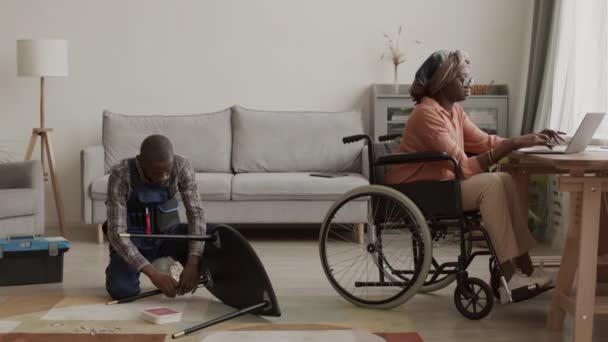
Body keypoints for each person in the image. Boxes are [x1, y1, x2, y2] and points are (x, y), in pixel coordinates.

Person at [384, 50, 563, 300]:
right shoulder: (426, 114)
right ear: (443, 82)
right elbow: (465, 168)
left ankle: (526, 270)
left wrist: (527, 139)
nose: (470, 84)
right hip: (418, 191)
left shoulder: (454, 111)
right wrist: (511, 146)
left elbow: (486, 142)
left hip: (440, 186)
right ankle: (509, 276)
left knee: (504, 178)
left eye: (469, 77)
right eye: (463, 79)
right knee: (491, 184)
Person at [104, 134, 210, 300]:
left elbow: (196, 214)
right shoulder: (121, 174)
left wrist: (193, 263)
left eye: (167, 171)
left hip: (168, 234)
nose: (164, 177)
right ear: (140, 161)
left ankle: (168, 262)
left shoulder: (182, 166)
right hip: (134, 238)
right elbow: (117, 234)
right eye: (156, 172)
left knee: (216, 235)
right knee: (123, 291)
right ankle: (143, 265)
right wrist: (154, 275)